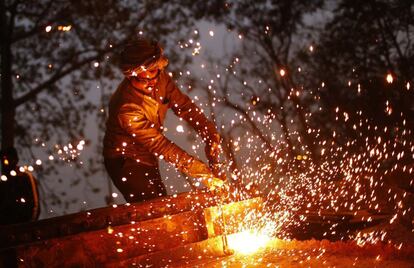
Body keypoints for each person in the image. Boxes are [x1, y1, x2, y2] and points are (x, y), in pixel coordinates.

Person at [103, 38, 225, 203]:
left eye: (155, 75)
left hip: (148, 155)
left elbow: (186, 108)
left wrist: (210, 134)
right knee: (156, 208)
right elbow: (161, 146)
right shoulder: (126, 108)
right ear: (131, 77)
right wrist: (203, 173)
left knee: (162, 203)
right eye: (145, 80)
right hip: (126, 161)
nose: (152, 83)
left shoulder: (161, 79)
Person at [0, 147, 40, 225]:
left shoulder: (26, 177)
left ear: (15, 160)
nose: (5, 163)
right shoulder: (3, 182)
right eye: (3, 160)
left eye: (8, 159)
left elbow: (35, 206)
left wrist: (28, 225)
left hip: (23, 226)